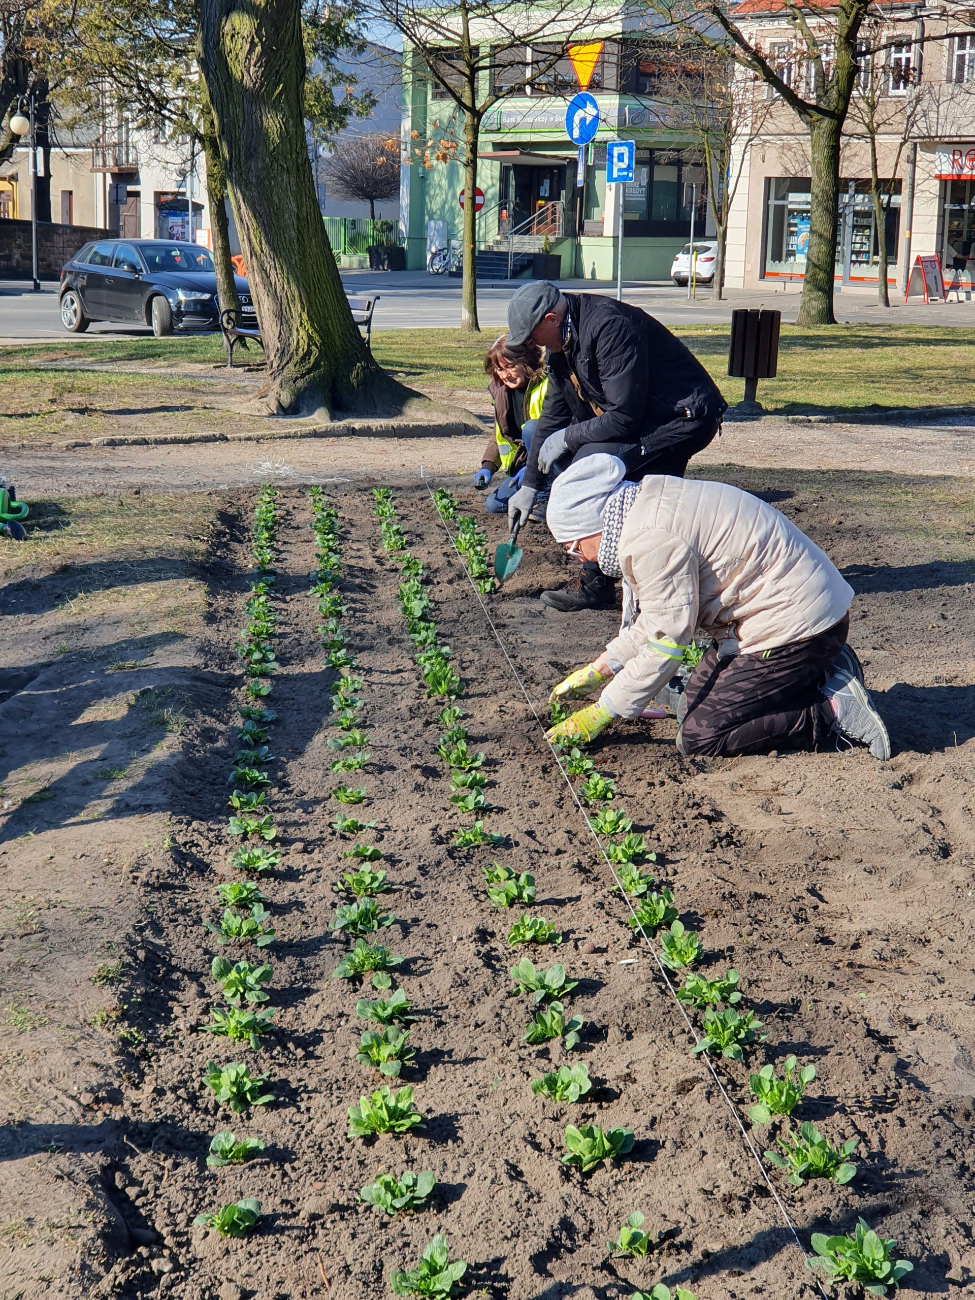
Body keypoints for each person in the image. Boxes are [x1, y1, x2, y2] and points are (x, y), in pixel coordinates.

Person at [543, 455, 890, 761]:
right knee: (689, 707)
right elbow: (656, 620)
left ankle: (831, 712)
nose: (578, 558)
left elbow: (666, 643)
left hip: (796, 628)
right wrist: (602, 667)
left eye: (573, 547)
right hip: (796, 616)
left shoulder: (651, 540)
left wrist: (604, 711)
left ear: (594, 527)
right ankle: (824, 671)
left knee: (700, 735)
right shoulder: (646, 504)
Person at [504, 280, 727, 612]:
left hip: (682, 418)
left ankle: (603, 582)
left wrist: (567, 439)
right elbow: (553, 417)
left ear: (551, 318)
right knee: (580, 457)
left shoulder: (609, 327)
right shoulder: (562, 345)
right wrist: (530, 485)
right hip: (644, 418)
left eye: (532, 335)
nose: (532, 345)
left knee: (595, 468)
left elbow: (623, 416)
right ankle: (617, 578)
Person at [474, 335, 548, 517]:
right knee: (494, 505)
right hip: (523, 468)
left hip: (549, 465)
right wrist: (487, 467)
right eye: (499, 369)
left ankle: (545, 497)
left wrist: (532, 470)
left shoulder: (546, 385)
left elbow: (551, 432)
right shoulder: (501, 392)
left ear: (526, 361)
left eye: (510, 367)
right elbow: (499, 434)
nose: (505, 375)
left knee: (532, 428)